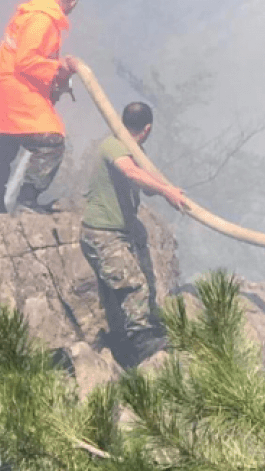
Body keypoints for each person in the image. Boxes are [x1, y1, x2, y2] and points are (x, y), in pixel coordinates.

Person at [79, 101, 187, 368]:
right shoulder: (114, 146)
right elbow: (129, 171)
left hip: (116, 234)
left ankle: (125, 352)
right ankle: (142, 342)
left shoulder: (135, 151)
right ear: (147, 128)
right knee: (134, 284)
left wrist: (166, 188)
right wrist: (166, 191)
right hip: (102, 233)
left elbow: (144, 182)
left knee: (118, 299)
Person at [0, 0, 82, 214]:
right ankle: (28, 200)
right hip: (18, 91)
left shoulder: (32, 13)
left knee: (3, 144)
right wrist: (59, 69)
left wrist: (56, 81)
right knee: (52, 142)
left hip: (3, 89)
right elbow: (26, 61)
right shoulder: (42, 19)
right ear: (72, 2)